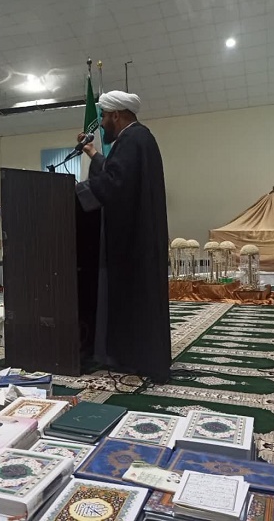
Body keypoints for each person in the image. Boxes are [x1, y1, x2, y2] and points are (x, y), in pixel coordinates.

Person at [75, 90, 171, 382]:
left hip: (133, 244)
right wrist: (92, 153)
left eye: (104, 116)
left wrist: (78, 192)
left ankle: (132, 358)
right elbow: (117, 174)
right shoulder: (139, 139)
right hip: (139, 239)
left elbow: (115, 184)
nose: (102, 123)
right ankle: (135, 357)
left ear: (116, 115)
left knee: (133, 303)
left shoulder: (132, 140)